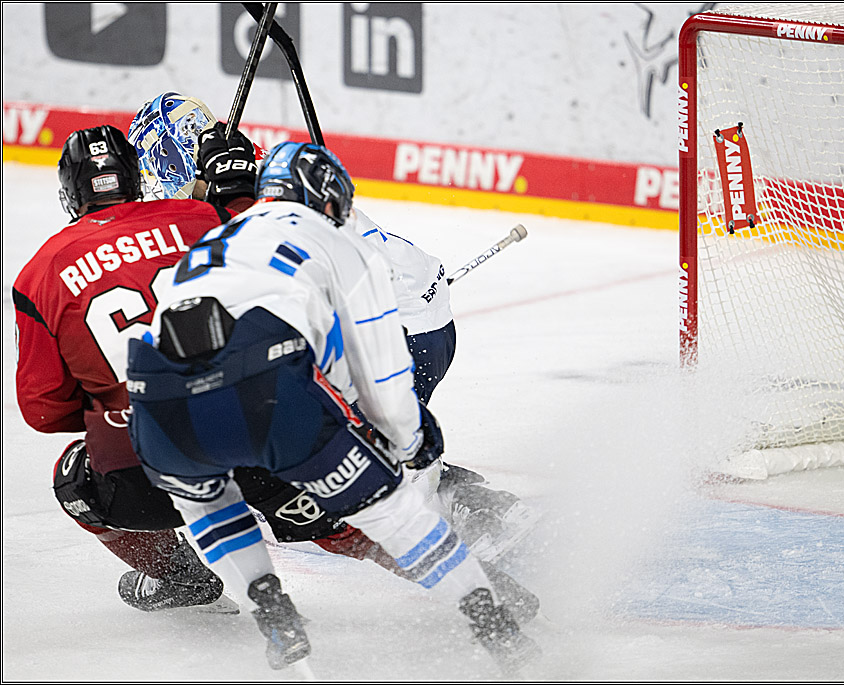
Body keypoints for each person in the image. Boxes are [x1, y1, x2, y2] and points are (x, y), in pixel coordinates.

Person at [125, 141, 540, 673]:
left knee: (206, 500)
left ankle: (269, 604)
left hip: (158, 407)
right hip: (269, 392)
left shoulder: (212, 239)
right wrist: (413, 440)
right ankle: (498, 629)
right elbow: (378, 372)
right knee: (395, 513)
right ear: (325, 200)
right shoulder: (344, 245)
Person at [13, 123, 259, 613]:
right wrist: (235, 182)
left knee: (74, 479)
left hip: (144, 475)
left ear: (70, 195)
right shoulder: (201, 217)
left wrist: (110, 401)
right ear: (136, 179)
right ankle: (428, 542)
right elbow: (272, 232)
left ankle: (182, 579)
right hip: (254, 440)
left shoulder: (39, 273)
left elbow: (41, 411)